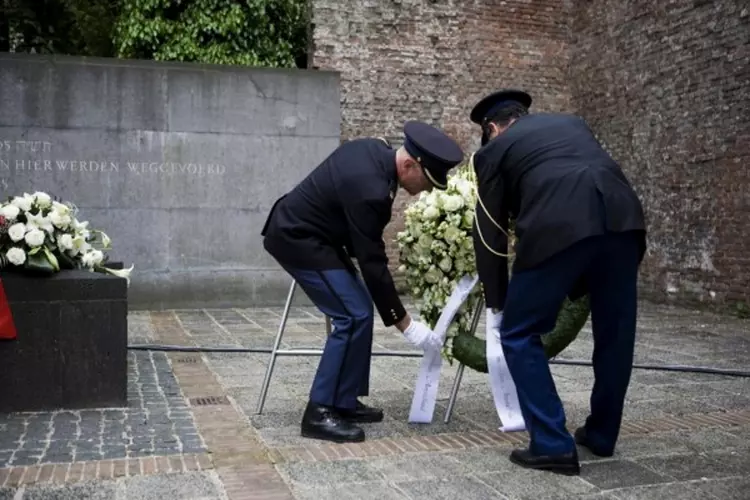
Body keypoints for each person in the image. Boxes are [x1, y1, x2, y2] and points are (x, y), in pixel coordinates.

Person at [468, 89, 647, 475]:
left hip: (560, 226)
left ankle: (551, 443)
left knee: (518, 333)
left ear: (493, 128)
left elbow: (489, 233)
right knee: (616, 333)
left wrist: (499, 301)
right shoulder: (572, 123)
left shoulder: (492, 152)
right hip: (624, 220)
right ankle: (602, 434)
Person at [261, 121, 464, 444]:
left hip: (322, 238)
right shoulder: (371, 187)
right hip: (296, 237)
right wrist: (406, 324)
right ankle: (319, 411)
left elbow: (364, 244)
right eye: (427, 180)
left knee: (360, 309)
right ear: (410, 164)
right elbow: (372, 261)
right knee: (351, 314)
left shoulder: (376, 153)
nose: (427, 189)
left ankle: (343, 400)